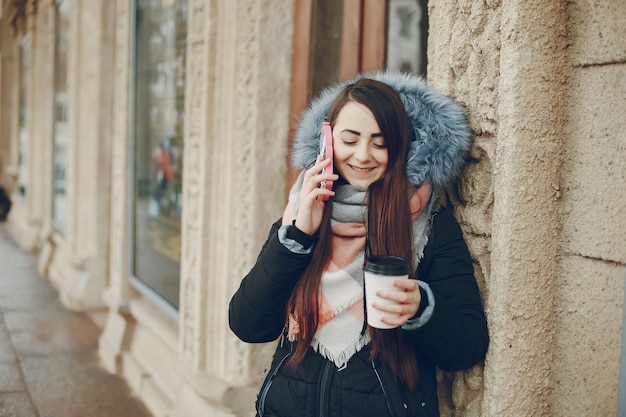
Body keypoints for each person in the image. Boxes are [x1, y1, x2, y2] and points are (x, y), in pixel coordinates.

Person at [229, 70, 488, 417]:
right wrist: (296, 237)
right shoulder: (302, 211)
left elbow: (467, 345)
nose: (363, 155)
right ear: (328, 141)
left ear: (399, 146)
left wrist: (420, 308)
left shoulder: (431, 223)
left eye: (380, 143)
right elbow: (248, 324)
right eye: (350, 140)